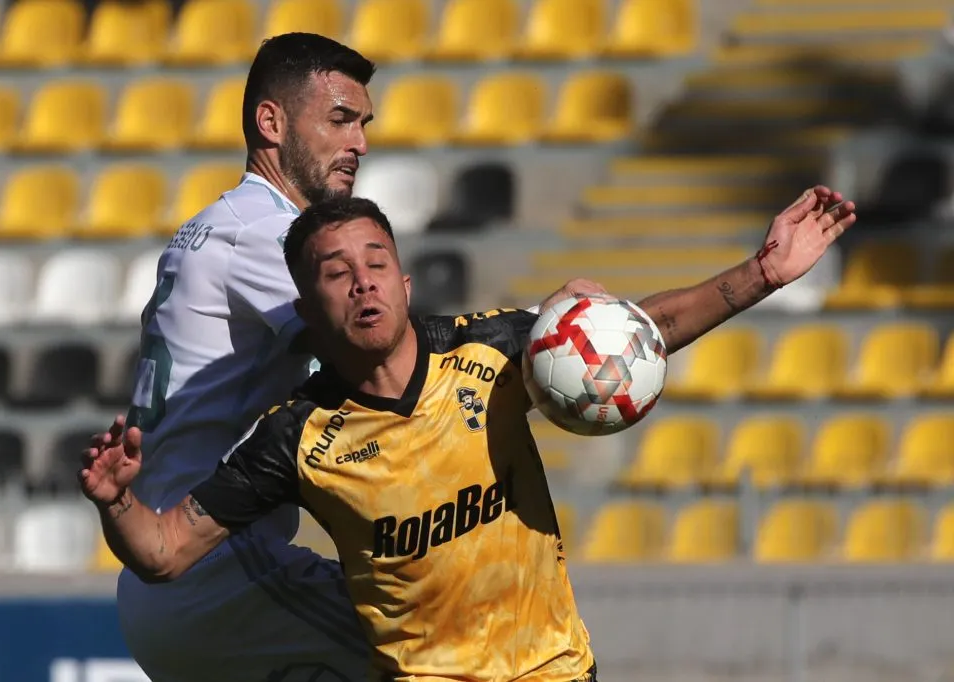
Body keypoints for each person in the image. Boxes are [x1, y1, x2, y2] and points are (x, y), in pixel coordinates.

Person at [82, 186, 856, 680]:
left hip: (555, 671)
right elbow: (164, 552)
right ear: (309, 311)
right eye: (336, 272)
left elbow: (639, 332)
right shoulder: (295, 436)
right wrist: (117, 503)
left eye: (376, 261)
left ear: (405, 281)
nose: (363, 282)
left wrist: (761, 275)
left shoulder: (490, 349)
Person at [115, 33, 376, 682]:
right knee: (442, 645)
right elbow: (374, 356)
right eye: (341, 119)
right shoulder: (267, 233)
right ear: (271, 122)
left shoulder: (219, 223)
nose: (360, 145)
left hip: (168, 576)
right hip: (219, 571)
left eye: (365, 124)